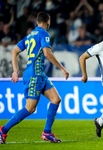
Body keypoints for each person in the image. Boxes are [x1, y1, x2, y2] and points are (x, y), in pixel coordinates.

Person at [0, 12, 69, 144]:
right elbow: (47, 53)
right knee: (30, 108)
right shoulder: (44, 33)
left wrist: (15, 71)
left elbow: (14, 51)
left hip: (38, 73)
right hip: (34, 74)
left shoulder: (30, 35)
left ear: (37, 22)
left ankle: (47, 133)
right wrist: (62, 68)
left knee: (56, 99)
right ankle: (3, 130)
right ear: (48, 22)